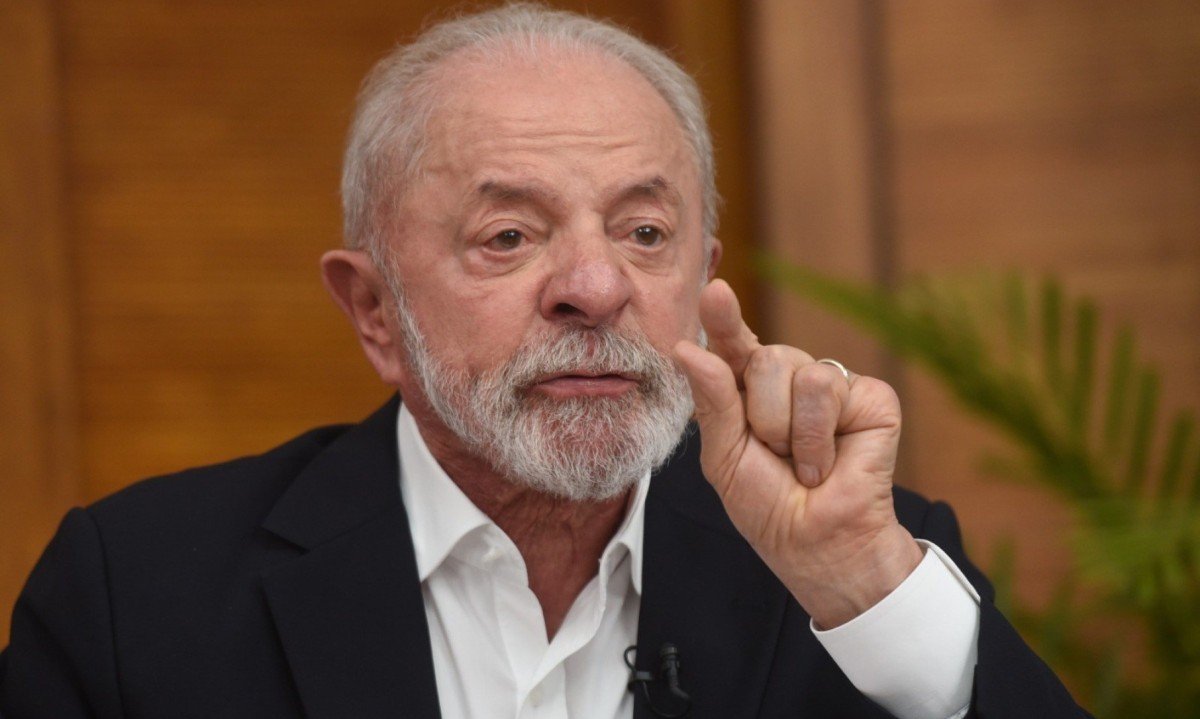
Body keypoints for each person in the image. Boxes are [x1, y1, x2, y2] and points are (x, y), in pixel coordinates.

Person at [0, 4, 1089, 717]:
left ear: (702, 278)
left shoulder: (857, 566)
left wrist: (859, 584)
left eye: (645, 232)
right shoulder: (134, 597)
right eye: (510, 235)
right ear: (374, 310)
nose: (596, 286)